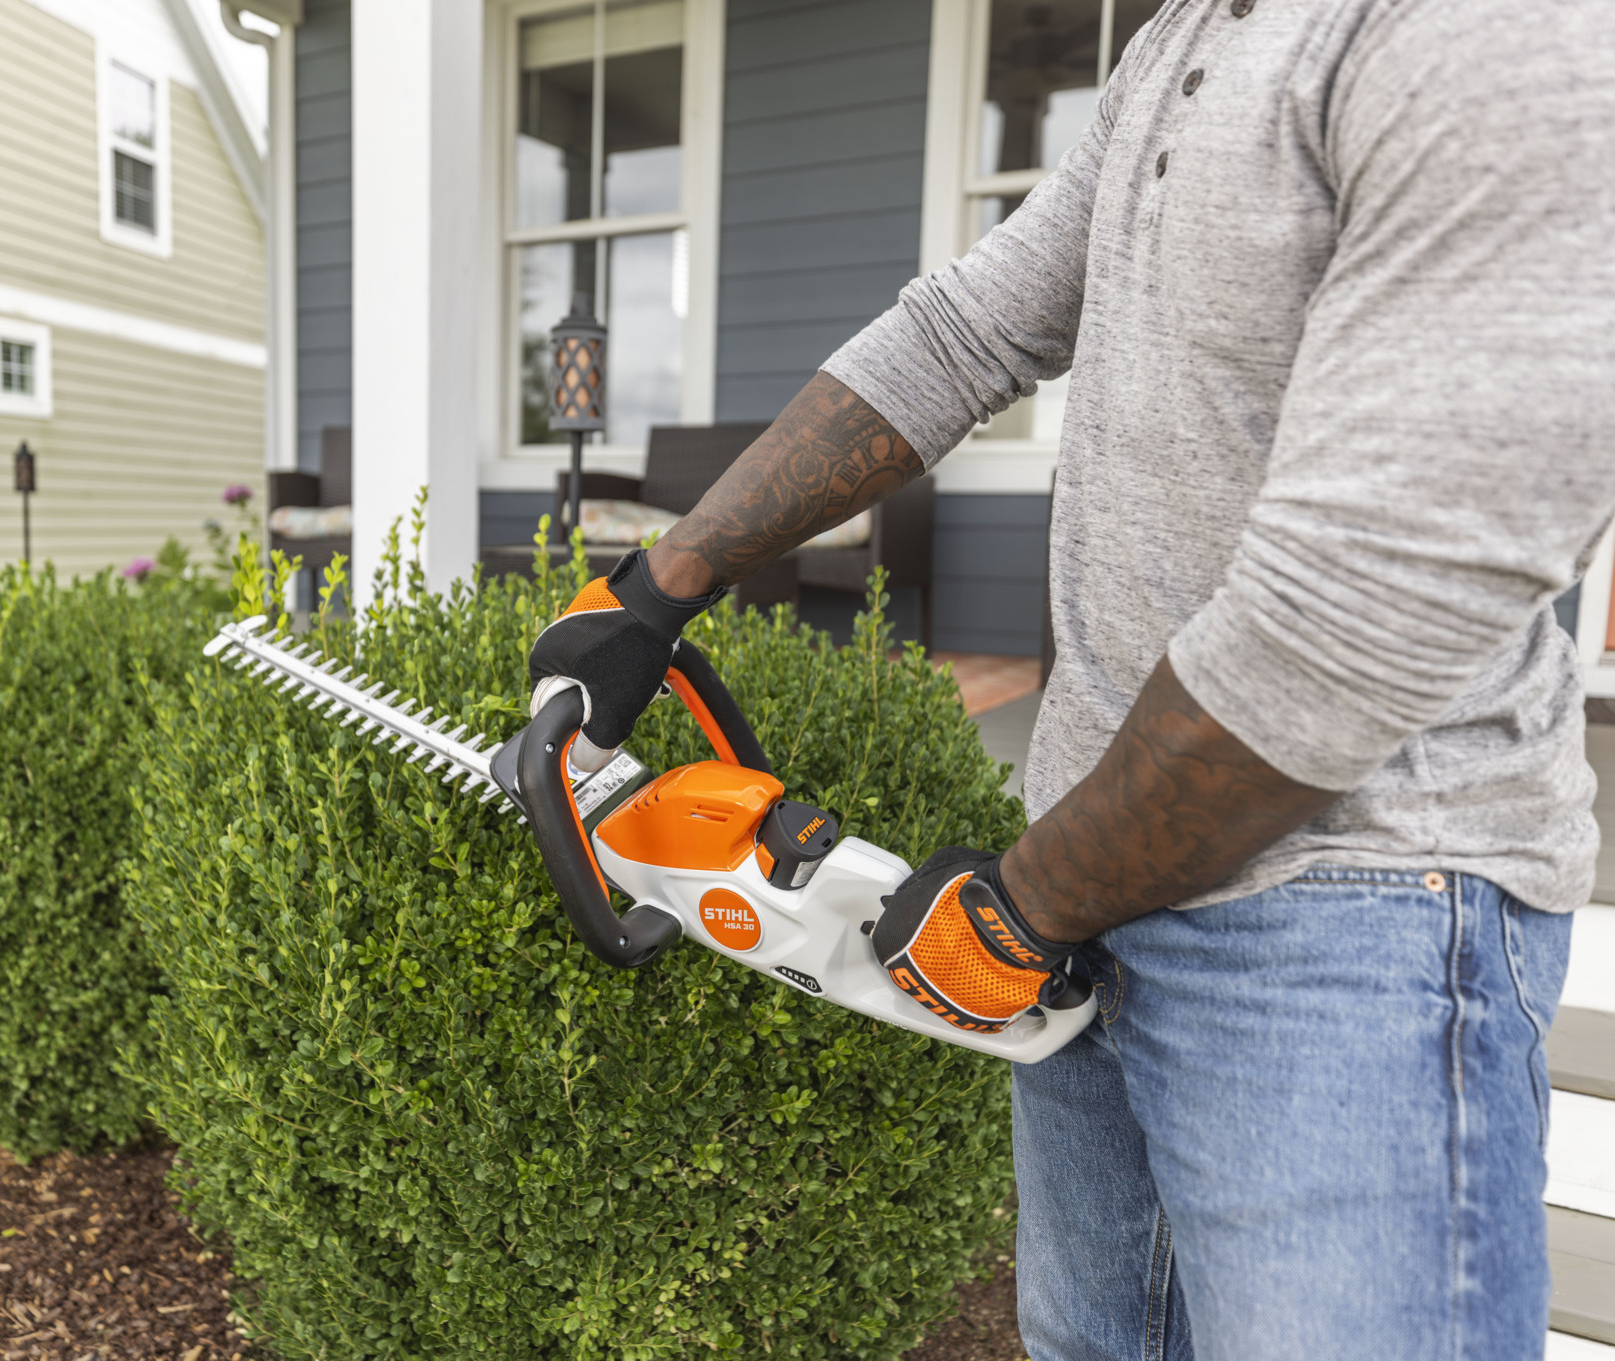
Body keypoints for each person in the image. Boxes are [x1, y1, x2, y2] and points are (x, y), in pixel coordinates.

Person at [526, 0, 1615, 1355]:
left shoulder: (1496, 32)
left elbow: (1365, 603)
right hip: (1104, 889)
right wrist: (661, 583)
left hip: (1356, 926)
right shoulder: (1183, 38)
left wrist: (1032, 898)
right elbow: (966, 331)